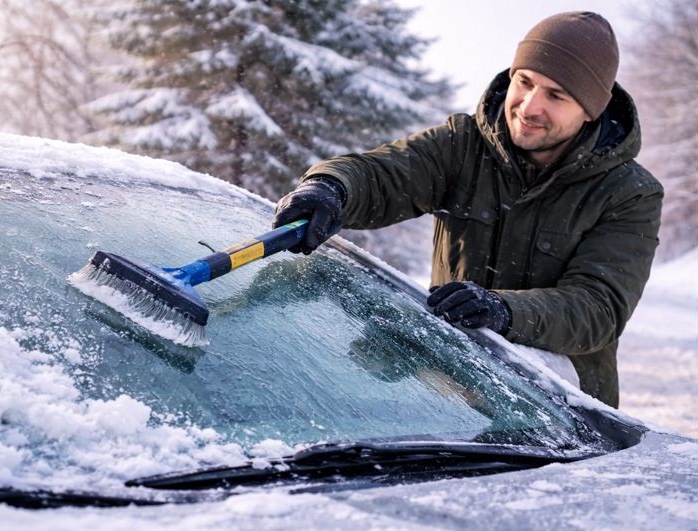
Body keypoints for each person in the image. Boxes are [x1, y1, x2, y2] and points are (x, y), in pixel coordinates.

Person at [271, 11, 663, 408]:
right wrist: (330, 186)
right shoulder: (464, 145)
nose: (529, 107)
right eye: (524, 82)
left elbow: (597, 308)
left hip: (562, 416)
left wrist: (504, 310)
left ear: (591, 110)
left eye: (556, 96)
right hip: (452, 397)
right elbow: (383, 174)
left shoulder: (630, 194)